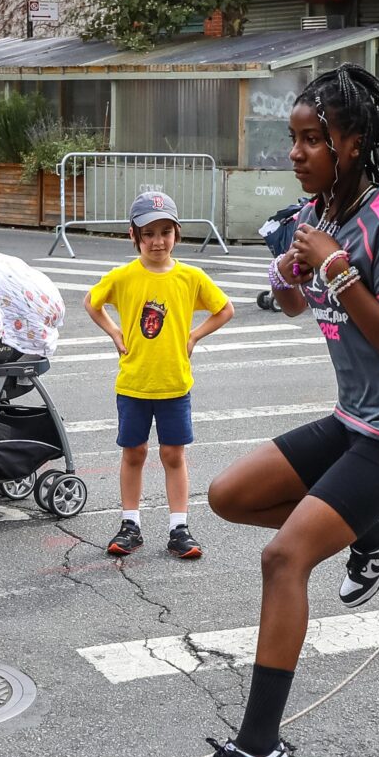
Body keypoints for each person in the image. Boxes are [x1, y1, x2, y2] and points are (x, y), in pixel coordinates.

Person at [169, 65, 379, 757]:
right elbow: (294, 303)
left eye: (312, 139)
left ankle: (259, 752)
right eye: (292, 138)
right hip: (354, 421)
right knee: (229, 495)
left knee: (284, 557)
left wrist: (333, 266)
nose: (296, 152)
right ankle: (377, 532)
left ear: (352, 143)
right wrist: (295, 268)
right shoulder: (320, 210)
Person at [85, 192, 233, 561]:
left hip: (174, 384)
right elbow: (92, 302)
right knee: (134, 452)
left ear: (176, 234)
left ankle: (179, 528)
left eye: (165, 232)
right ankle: (130, 524)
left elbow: (224, 309)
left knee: (173, 454)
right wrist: (115, 333)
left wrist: (194, 336)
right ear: (133, 235)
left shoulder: (190, 277)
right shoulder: (123, 276)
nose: (157, 241)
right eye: (148, 233)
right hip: (134, 384)